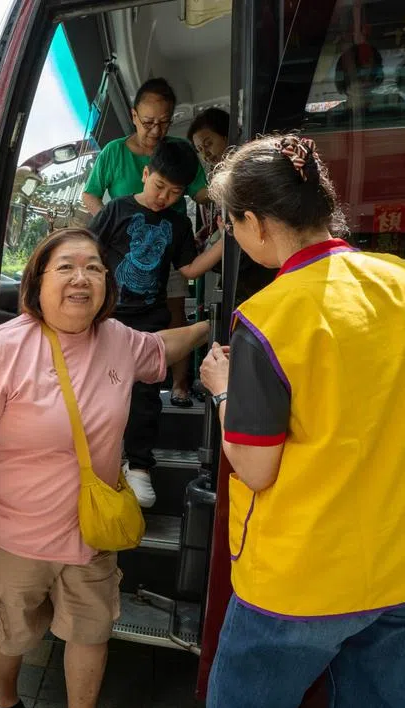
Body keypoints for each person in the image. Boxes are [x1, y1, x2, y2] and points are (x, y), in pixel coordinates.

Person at [198, 134, 405, 708]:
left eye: (232, 224)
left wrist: (222, 392)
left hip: (306, 576)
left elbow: (256, 465)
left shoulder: (268, 317)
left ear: (253, 223)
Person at [0, 227, 209, 708]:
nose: (82, 278)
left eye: (95, 268)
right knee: (12, 636)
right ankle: (5, 705)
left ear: (108, 283)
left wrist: (213, 326)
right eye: (66, 267)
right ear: (38, 281)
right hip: (9, 534)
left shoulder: (120, 341)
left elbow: (162, 347)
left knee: (91, 630)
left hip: (91, 530)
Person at [89, 140, 223, 507]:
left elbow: (190, 270)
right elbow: (88, 253)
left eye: (175, 191)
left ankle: (141, 467)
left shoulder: (178, 224)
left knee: (146, 396)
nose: (164, 196)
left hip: (151, 321)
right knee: (100, 391)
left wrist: (226, 241)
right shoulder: (115, 210)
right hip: (108, 318)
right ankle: (101, 462)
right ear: (146, 174)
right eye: (159, 185)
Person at [82, 77, 209, 408]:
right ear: (134, 115)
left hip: (171, 247)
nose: (156, 130)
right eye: (149, 122)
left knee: (174, 312)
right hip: (125, 252)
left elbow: (201, 193)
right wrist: (111, 224)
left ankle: (180, 383)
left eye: (164, 122)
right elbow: (90, 193)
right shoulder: (114, 152)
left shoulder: (177, 152)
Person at [187, 107, 272, 304]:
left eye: (208, 143)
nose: (206, 154)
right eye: (200, 150)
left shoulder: (247, 172)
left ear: (227, 135)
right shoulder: (217, 177)